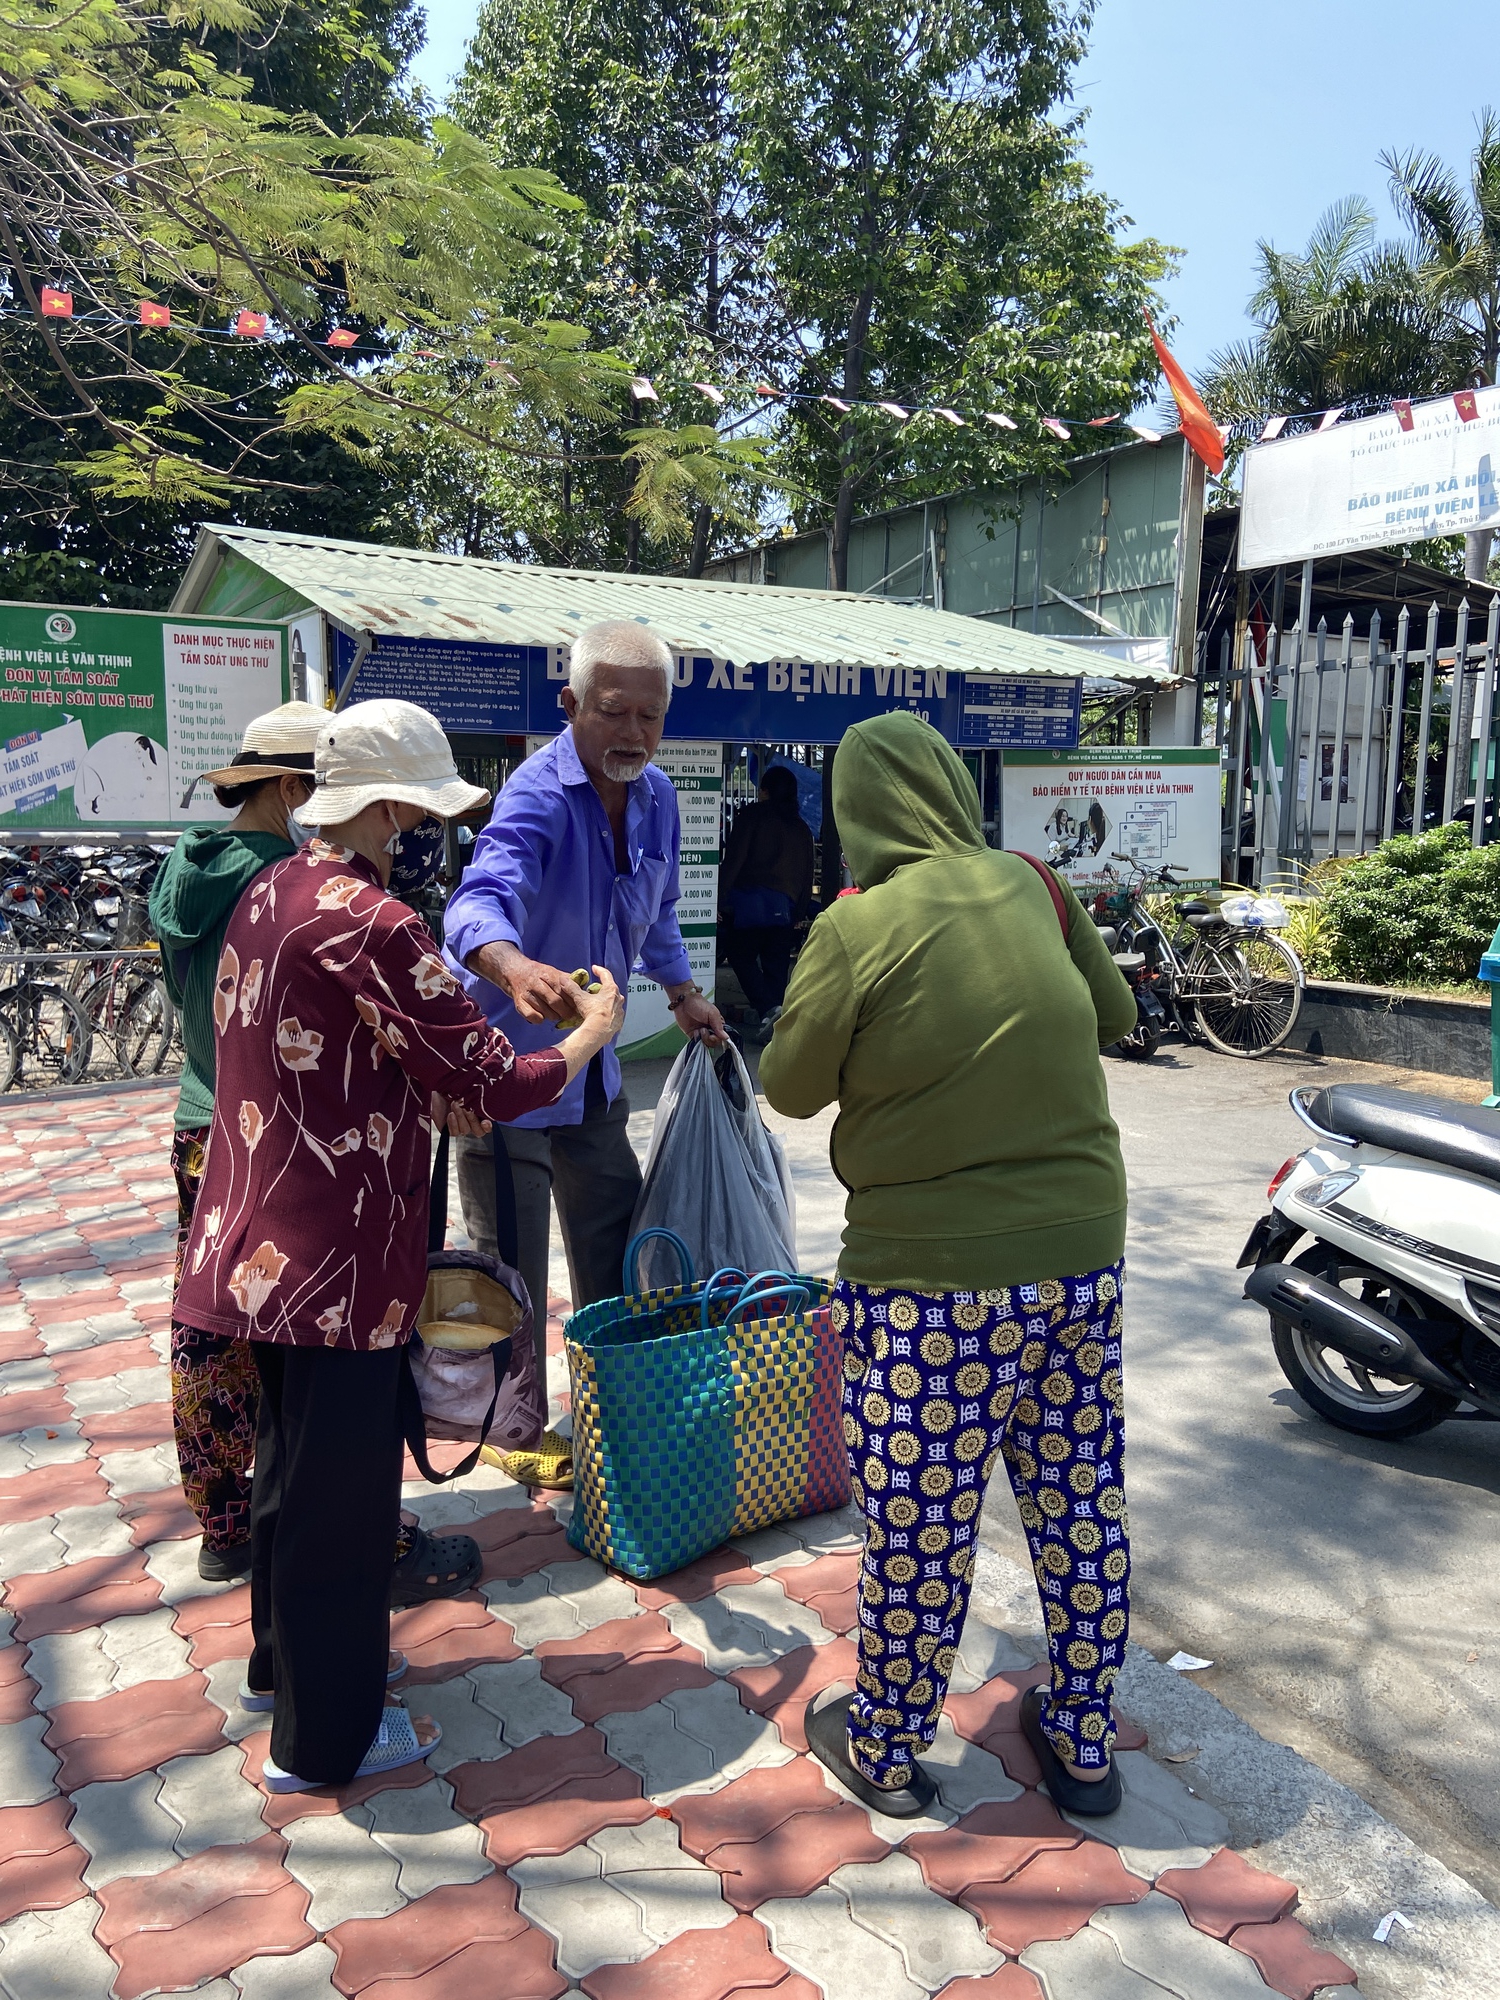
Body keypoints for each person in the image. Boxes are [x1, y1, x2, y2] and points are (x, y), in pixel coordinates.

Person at [173, 699, 624, 1793]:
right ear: (383, 809)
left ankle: (283, 1673)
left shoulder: (272, 892)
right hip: (335, 1258)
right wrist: (590, 1033)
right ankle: (326, 1739)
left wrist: (426, 1093)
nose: (428, 833)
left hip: (254, 1242)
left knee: (290, 1476)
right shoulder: (374, 922)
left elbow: (340, 1053)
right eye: (422, 813)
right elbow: (495, 1076)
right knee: (342, 1503)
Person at [758, 711, 1138, 1820]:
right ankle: (1083, 1740)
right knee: (1077, 1496)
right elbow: (1115, 1014)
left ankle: (886, 1744)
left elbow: (790, 1086)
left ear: (856, 815)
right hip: (1081, 1260)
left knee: (926, 1517)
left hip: (930, 1282)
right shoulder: (1035, 883)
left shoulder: (856, 924)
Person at [443, 619, 726, 1401]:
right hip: (509, 1080)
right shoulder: (536, 794)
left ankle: (616, 1417)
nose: (634, 733)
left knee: (615, 1258)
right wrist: (511, 964)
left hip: (593, 1079)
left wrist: (683, 994)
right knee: (510, 1272)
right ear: (570, 705)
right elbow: (478, 901)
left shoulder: (658, 798)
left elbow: (657, 909)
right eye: (613, 712)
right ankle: (516, 1426)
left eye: (651, 716)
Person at [149, 701, 325, 1581]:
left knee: (210, 1320)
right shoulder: (283, 881)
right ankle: (316, 1520)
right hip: (266, 1131)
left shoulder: (186, 868)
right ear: (291, 788)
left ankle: (223, 1520)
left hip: (198, 1120)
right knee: (295, 1330)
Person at [718, 764, 816, 1034]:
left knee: (740, 955)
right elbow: (807, 872)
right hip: (785, 909)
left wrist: (719, 899)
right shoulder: (801, 827)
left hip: (749, 906)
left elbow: (734, 860)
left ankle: (768, 1009)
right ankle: (776, 1023)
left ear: (765, 791)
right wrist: (800, 911)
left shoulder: (751, 816)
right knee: (777, 966)